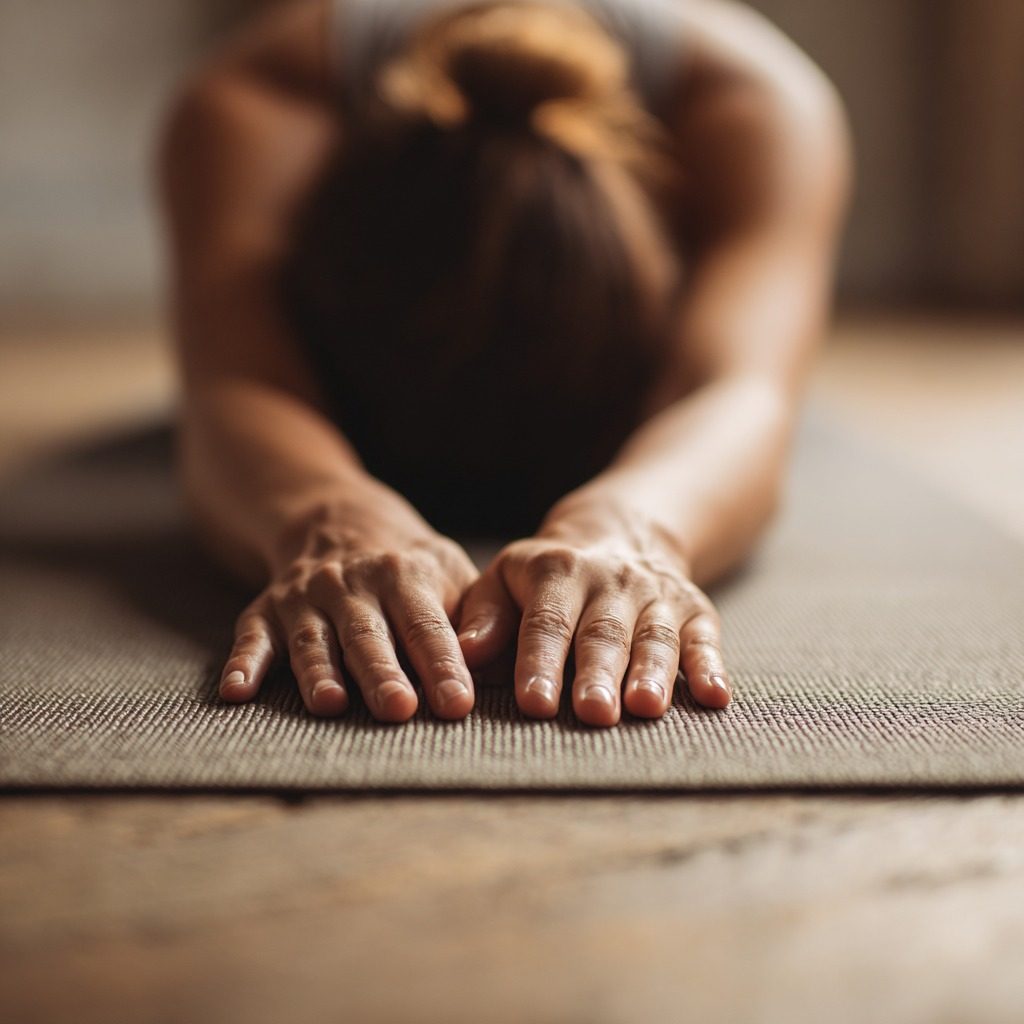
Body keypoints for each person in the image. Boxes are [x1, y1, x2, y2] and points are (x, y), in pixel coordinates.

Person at [159, 0, 850, 728]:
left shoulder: (760, 105)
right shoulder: (260, 93)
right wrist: (328, 514)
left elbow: (738, 388)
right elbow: (235, 378)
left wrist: (635, 525)